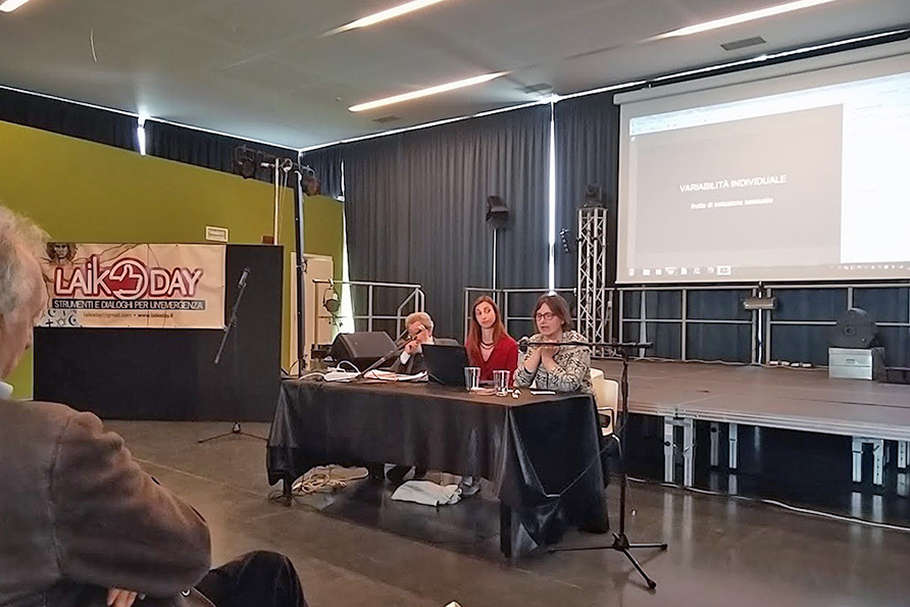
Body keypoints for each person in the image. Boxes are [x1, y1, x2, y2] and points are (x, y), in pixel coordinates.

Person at [0, 205, 307, 607]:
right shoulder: (54, 443)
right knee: (272, 576)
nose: (29, 340)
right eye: (29, 319)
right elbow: (188, 547)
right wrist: (129, 556)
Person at [514, 293, 593, 394]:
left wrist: (547, 359)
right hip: (544, 401)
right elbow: (520, 382)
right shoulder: (535, 341)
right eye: (539, 316)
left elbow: (569, 385)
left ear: (562, 319)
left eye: (548, 316)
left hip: (576, 401)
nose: (542, 321)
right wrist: (539, 351)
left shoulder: (577, 343)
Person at [464, 295, 518, 383]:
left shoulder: (510, 346)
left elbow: (510, 381)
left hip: (500, 391)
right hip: (474, 391)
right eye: (479, 313)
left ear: (495, 313)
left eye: (487, 311)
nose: (483, 317)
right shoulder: (470, 344)